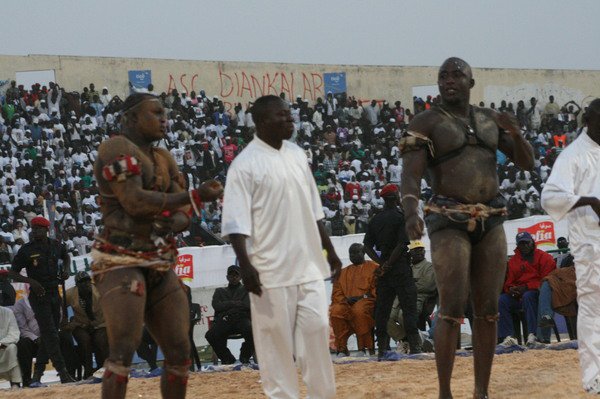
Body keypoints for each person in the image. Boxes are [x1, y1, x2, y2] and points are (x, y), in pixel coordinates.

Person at [400, 57, 534, 399]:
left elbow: (527, 162)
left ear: (471, 83)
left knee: (488, 311)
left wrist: (516, 134)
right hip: (448, 220)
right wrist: (411, 209)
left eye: (457, 75)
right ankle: (445, 392)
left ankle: (480, 391)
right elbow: (411, 174)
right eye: (443, 75)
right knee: (451, 309)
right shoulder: (426, 121)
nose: (449, 81)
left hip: (491, 217)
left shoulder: (490, 121)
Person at [90, 93, 223, 399]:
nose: (164, 119)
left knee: (179, 350)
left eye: (165, 113)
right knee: (123, 348)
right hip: (120, 260)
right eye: (156, 113)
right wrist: (191, 198)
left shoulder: (164, 157)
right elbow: (134, 202)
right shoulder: (115, 147)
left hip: (159, 260)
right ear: (132, 118)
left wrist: (177, 214)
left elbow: (183, 215)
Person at [222, 95, 341, 399]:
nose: (290, 120)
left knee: (316, 341)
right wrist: (245, 266)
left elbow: (314, 211)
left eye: (290, 115)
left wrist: (330, 251)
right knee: (275, 353)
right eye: (282, 116)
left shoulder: (298, 154)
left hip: (308, 267)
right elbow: (236, 225)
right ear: (261, 122)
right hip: (269, 275)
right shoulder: (244, 165)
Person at [541, 98, 600, 393]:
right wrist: (590, 201)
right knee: (592, 311)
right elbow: (550, 197)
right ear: (587, 120)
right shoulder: (572, 155)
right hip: (591, 247)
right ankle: (594, 378)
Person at [8, 216, 76, 384]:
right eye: (34, 228)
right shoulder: (26, 250)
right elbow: (12, 272)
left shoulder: (55, 245)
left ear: (46, 229)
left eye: (39, 228)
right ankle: (63, 373)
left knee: (48, 334)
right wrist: (31, 282)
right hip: (39, 296)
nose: (36, 231)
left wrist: (66, 270)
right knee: (51, 334)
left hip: (54, 294)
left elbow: (66, 256)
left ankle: (37, 373)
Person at [363, 183, 421, 358]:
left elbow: (366, 246)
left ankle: (382, 348)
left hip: (384, 272)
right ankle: (415, 348)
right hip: (400, 268)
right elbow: (403, 244)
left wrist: (381, 263)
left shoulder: (376, 219)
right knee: (409, 307)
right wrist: (389, 264)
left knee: (382, 310)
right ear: (396, 198)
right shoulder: (401, 217)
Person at [497, 232, 555, 346]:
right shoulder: (513, 261)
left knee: (528, 296)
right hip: (519, 296)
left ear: (532, 242)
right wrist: (511, 289)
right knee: (502, 300)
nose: (524, 246)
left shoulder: (544, 257)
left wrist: (528, 287)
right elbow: (509, 282)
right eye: (521, 244)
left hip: (537, 295)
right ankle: (508, 337)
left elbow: (548, 280)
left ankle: (532, 334)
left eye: (527, 243)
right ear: (517, 245)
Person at [330, 243, 378, 356]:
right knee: (335, 311)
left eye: (356, 253)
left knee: (358, 310)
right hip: (346, 303)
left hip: (367, 302)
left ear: (364, 253)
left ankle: (364, 348)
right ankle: (342, 348)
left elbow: (376, 291)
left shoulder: (374, 268)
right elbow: (337, 293)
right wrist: (345, 300)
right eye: (351, 253)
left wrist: (362, 298)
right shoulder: (342, 272)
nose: (353, 256)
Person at [205, 265, 254, 365]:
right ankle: (227, 358)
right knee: (210, 335)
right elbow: (216, 306)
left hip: (242, 319)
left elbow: (247, 305)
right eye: (231, 275)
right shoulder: (219, 291)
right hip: (225, 320)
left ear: (240, 277)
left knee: (254, 331)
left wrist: (227, 305)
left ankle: (245, 356)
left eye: (236, 275)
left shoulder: (247, 289)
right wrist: (235, 303)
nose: (234, 277)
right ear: (227, 277)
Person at [65, 271, 108, 379]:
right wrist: (65, 322)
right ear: (77, 285)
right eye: (82, 282)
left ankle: (102, 368)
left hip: (100, 323)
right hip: (80, 324)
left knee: (100, 340)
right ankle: (88, 371)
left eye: (88, 281)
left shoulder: (100, 291)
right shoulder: (70, 294)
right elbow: (59, 307)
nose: (86, 284)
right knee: (84, 341)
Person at [12, 295, 41, 387]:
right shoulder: (20, 304)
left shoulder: (52, 299)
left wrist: (47, 336)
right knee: (23, 344)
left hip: (49, 336)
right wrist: (36, 338)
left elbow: (57, 319)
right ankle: (27, 379)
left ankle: (68, 374)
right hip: (33, 341)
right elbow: (22, 329)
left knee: (64, 337)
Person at [408, 240, 437, 330]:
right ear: (410, 253)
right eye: (416, 250)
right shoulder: (407, 266)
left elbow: (427, 285)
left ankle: (416, 340)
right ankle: (403, 339)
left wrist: (407, 285)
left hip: (420, 299)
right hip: (404, 297)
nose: (419, 252)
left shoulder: (429, 266)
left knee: (408, 315)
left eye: (421, 250)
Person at [0, 306, 22, 388]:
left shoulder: (8, 312)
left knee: (12, 348)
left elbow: (14, 333)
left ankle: (15, 383)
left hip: (4, 346)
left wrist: (1, 343)